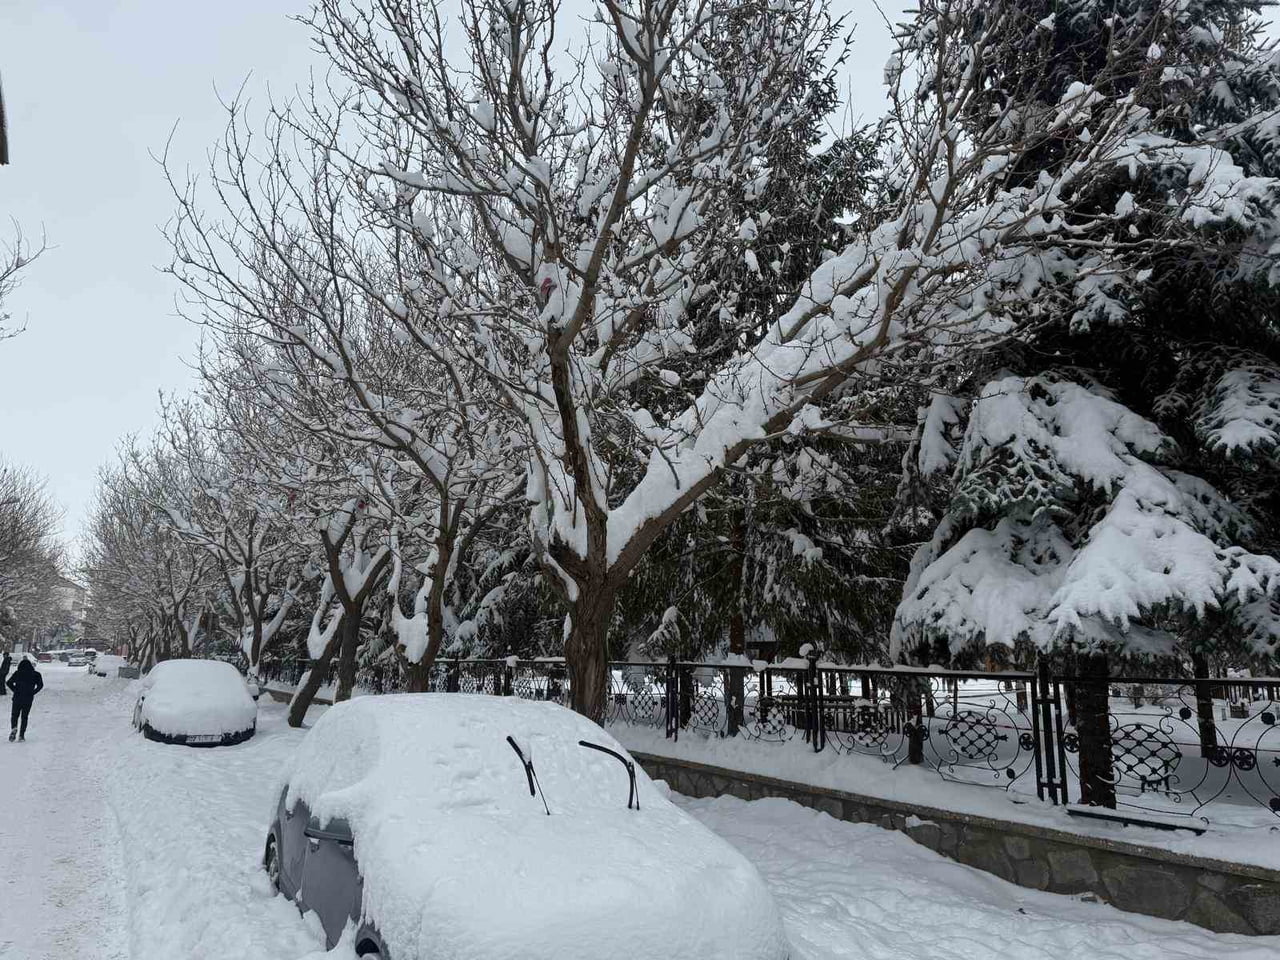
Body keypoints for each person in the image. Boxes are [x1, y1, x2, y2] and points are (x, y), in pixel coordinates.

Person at [7, 657, 43, 742]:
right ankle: (21, 735)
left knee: (14, 715)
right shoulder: (36, 674)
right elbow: (40, 685)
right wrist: (33, 692)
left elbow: (9, 682)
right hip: (28, 698)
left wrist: (15, 690)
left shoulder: (17, 673)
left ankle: (14, 727)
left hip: (17, 697)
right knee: (24, 716)